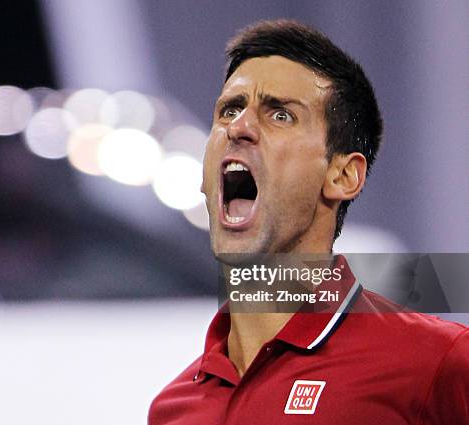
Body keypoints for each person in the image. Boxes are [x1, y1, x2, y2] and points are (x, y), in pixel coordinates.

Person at [148, 19, 468, 424]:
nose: (239, 128)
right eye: (230, 109)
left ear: (342, 176)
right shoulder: (173, 406)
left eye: (280, 115)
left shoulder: (436, 363)